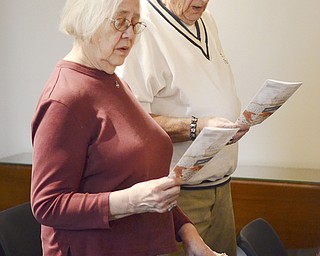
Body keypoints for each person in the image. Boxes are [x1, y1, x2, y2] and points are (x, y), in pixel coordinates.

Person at [30, 0, 228, 255]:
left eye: (135, 24)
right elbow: (47, 204)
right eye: (120, 21)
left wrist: (188, 234)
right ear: (88, 19)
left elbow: (148, 183)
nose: (130, 34)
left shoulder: (114, 82)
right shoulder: (65, 98)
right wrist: (132, 201)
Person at [117, 0, 250, 255]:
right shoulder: (143, 26)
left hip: (221, 188)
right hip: (179, 198)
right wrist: (196, 127)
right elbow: (131, 121)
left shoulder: (206, 18)